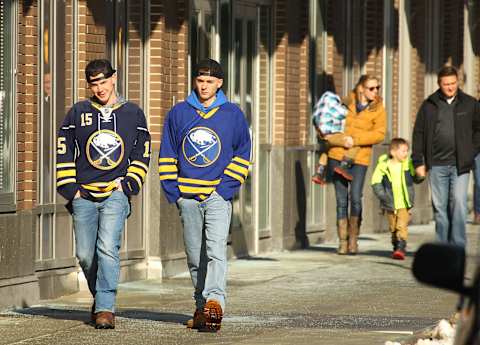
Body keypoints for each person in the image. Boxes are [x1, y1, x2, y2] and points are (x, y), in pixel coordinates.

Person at [56, 59, 151, 329]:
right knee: (86, 255)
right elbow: (63, 149)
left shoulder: (132, 113)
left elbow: (142, 150)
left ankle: (106, 308)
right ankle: (100, 298)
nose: (99, 88)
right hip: (83, 194)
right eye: (93, 83)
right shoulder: (78, 113)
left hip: (115, 193)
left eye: (103, 81)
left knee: (108, 248)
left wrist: (129, 183)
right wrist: (71, 190)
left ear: (114, 79)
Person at [158, 58, 251, 332]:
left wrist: (224, 189)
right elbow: (167, 153)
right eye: (200, 81)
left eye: (210, 81)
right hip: (188, 197)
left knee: (215, 251)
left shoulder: (232, 114)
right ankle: (201, 307)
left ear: (220, 83)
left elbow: (243, 152)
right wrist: (174, 191)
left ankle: (215, 303)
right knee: (194, 256)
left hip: (217, 197)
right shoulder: (179, 113)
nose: (204, 86)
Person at [412, 65, 480, 248]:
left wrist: (471, 151)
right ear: (439, 84)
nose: (450, 87)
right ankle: (442, 248)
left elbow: (478, 130)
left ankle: (457, 248)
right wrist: (418, 161)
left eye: (453, 83)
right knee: (440, 209)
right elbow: (418, 133)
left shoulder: (470, 103)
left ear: (458, 82)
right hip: (436, 165)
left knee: (458, 204)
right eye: (446, 84)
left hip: (460, 165)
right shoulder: (429, 105)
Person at [328, 75, 387, 255]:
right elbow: (329, 125)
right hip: (337, 155)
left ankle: (354, 237)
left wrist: (356, 140)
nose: (375, 91)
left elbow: (379, 134)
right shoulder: (344, 104)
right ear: (361, 89)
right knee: (341, 200)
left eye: (377, 88)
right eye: (371, 88)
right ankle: (343, 241)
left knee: (355, 197)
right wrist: (340, 140)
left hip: (360, 158)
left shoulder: (378, 109)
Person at [371, 138, 424, 260]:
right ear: (393, 152)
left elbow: (415, 178)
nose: (406, 154)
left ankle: (401, 247)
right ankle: (396, 245)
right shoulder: (383, 165)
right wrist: (382, 195)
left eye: (407, 151)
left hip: (404, 203)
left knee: (401, 225)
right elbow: (375, 181)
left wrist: (420, 176)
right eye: (403, 151)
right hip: (390, 202)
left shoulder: (407, 164)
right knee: (393, 227)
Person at [311, 90, 361, 184]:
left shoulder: (321, 105)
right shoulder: (334, 104)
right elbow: (344, 114)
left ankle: (319, 172)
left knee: (327, 150)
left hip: (322, 136)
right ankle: (344, 166)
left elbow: (315, 119)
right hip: (331, 135)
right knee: (356, 141)